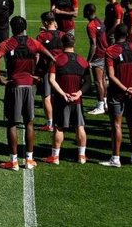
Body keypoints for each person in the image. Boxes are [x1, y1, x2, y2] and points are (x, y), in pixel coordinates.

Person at [0, 16, 56, 171]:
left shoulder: (7, 44)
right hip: (29, 86)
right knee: (29, 123)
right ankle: (29, 160)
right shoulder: (33, 42)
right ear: (24, 28)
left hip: (13, 86)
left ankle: (14, 161)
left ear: (11, 28)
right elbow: (51, 57)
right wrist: (39, 75)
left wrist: (0, 79)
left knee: (12, 123)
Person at [99, 24, 132, 168]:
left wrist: (125, 89)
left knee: (116, 125)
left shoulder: (111, 51)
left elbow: (111, 76)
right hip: (131, 93)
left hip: (117, 93)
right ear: (127, 35)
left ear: (115, 34)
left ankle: (116, 158)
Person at [42, 33, 90, 165]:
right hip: (77, 100)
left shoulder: (56, 60)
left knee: (59, 127)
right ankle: (81, 156)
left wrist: (63, 94)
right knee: (80, 126)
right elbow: (88, 82)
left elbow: (51, 80)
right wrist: (79, 93)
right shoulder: (83, 61)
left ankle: (55, 156)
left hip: (61, 100)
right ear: (74, 44)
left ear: (62, 44)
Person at [36, 11, 65, 132]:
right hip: (62, 69)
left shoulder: (42, 36)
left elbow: (37, 55)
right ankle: (62, 120)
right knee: (59, 95)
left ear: (46, 22)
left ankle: (50, 124)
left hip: (47, 70)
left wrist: (35, 70)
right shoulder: (63, 35)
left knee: (46, 96)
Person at [83, 3, 109, 115]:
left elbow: (93, 45)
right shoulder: (99, 21)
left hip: (98, 55)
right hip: (105, 52)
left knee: (98, 82)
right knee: (103, 81)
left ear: (88, 12)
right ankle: (105, 103)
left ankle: (100, 105)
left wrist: (89, 60)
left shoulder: (91, 26)